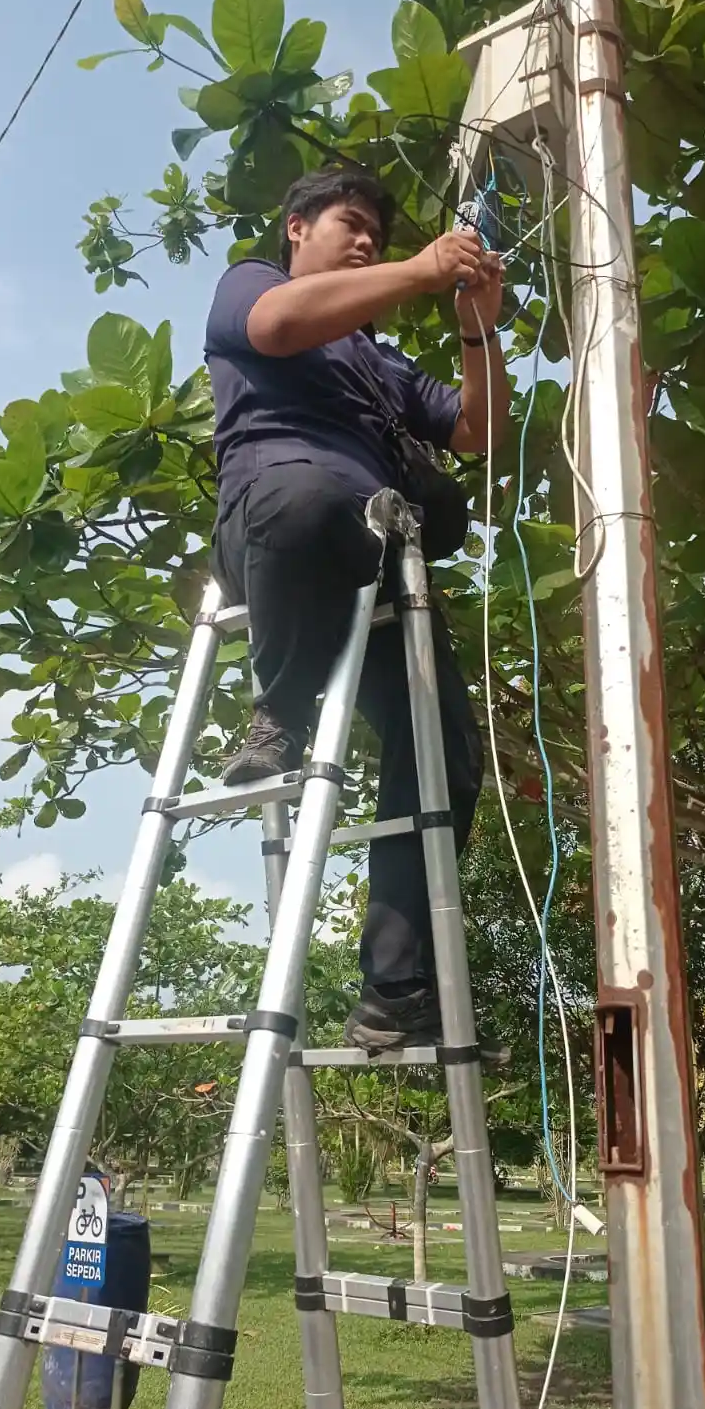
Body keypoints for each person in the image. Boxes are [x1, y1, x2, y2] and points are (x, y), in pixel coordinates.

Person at [204, 166, 508, 1053]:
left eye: (379, 231)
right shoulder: (251, 284)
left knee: (443, 752)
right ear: (296, 227)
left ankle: (397, 990)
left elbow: (478, 430)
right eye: (352, 222)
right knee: (307, 498)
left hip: (375, 559)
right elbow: (277, 327)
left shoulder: (381, 360)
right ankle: (280, 711)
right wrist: (423, 270)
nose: (369, 239)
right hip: (276, 524)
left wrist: (475, 327)